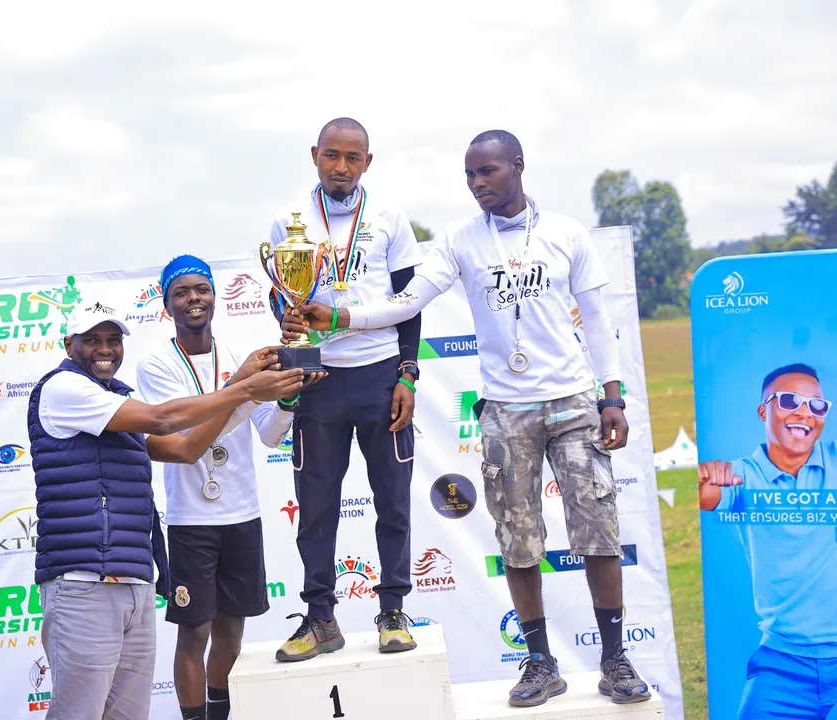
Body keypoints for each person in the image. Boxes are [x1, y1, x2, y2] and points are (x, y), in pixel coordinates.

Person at [287, 129, 651, 706]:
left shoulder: (566, 233)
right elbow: (407, 302)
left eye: (489, 172)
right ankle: (539, 663)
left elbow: (598, 321)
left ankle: (615, 658)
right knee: (518, 543)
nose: (479, 184)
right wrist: (343, 316)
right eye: (471, 176)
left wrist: (613, 397)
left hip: (574, 400)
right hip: (506, 410)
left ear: (518, 167)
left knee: (599, 534)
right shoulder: (460, 239)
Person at [26, 299, 304, 720]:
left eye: (113, 339)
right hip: (84, 584)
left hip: (132, 581)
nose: (106, 348)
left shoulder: (116, 402)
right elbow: (162, 420)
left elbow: (186, 447)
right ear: (69, 345)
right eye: (92, 340)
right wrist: (245, 389)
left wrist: (242, 386)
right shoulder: (64, 389)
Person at [136, 255, 325, 720]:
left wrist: (287, 398)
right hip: (190, 519)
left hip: (241, 512)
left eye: (200, 289)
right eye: (181, 292)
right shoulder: (156, 364)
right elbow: (187, 439)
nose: (193, 298)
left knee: (231, 632)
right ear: (166, 305)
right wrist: (242, 385)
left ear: (215, 297)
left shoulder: (242, 349)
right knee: (193, 633)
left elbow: (269, 433)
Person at [269, 117, 424, 661]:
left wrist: (407, 373)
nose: (341, 167)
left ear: (367, 162)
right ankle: (320, 619)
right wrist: (288, 323)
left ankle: (393, 610)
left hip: (381, 373)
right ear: (314, 154)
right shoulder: (288, 222)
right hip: (318, 377)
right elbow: (279, 297)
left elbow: (409, 303)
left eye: (352, 158)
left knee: (393, 501)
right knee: (315, 508)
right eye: (331, 155)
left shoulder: (388, 219)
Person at [699, 363, 837, 718]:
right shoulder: (743, 474)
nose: (804, 412)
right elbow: (704, 494)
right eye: (790, 400)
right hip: (782, 663)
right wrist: (703, 477)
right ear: (764, 410)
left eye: (817, 405)